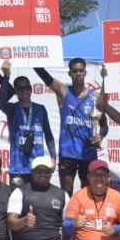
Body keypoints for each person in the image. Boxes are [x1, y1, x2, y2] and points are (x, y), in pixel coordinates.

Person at [34, 58, 108, 194]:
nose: (78, 74)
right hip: (68, 153)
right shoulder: (63, 91)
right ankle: (66, 216)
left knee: (87, 194)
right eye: (75, 71)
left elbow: (104, 126)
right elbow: (44, 75)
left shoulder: (94, 98)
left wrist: (100, 135)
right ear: (70, 74)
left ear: (85, 73)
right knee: (66, 194)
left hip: (88, 152)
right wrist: (33, 55)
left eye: (81, 71)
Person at [0, 74, 56, 186]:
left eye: (27, 88)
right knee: (17, 202)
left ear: (31, 89)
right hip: (18, 169)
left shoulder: (40, 109)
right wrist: (6, 77)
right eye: (20, 88)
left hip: (38, 167)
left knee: (37, 202)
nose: (24, 91)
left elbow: (48, 134)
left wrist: (53, 157)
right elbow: (0, 102)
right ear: (15, 91)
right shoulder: (12, 109)